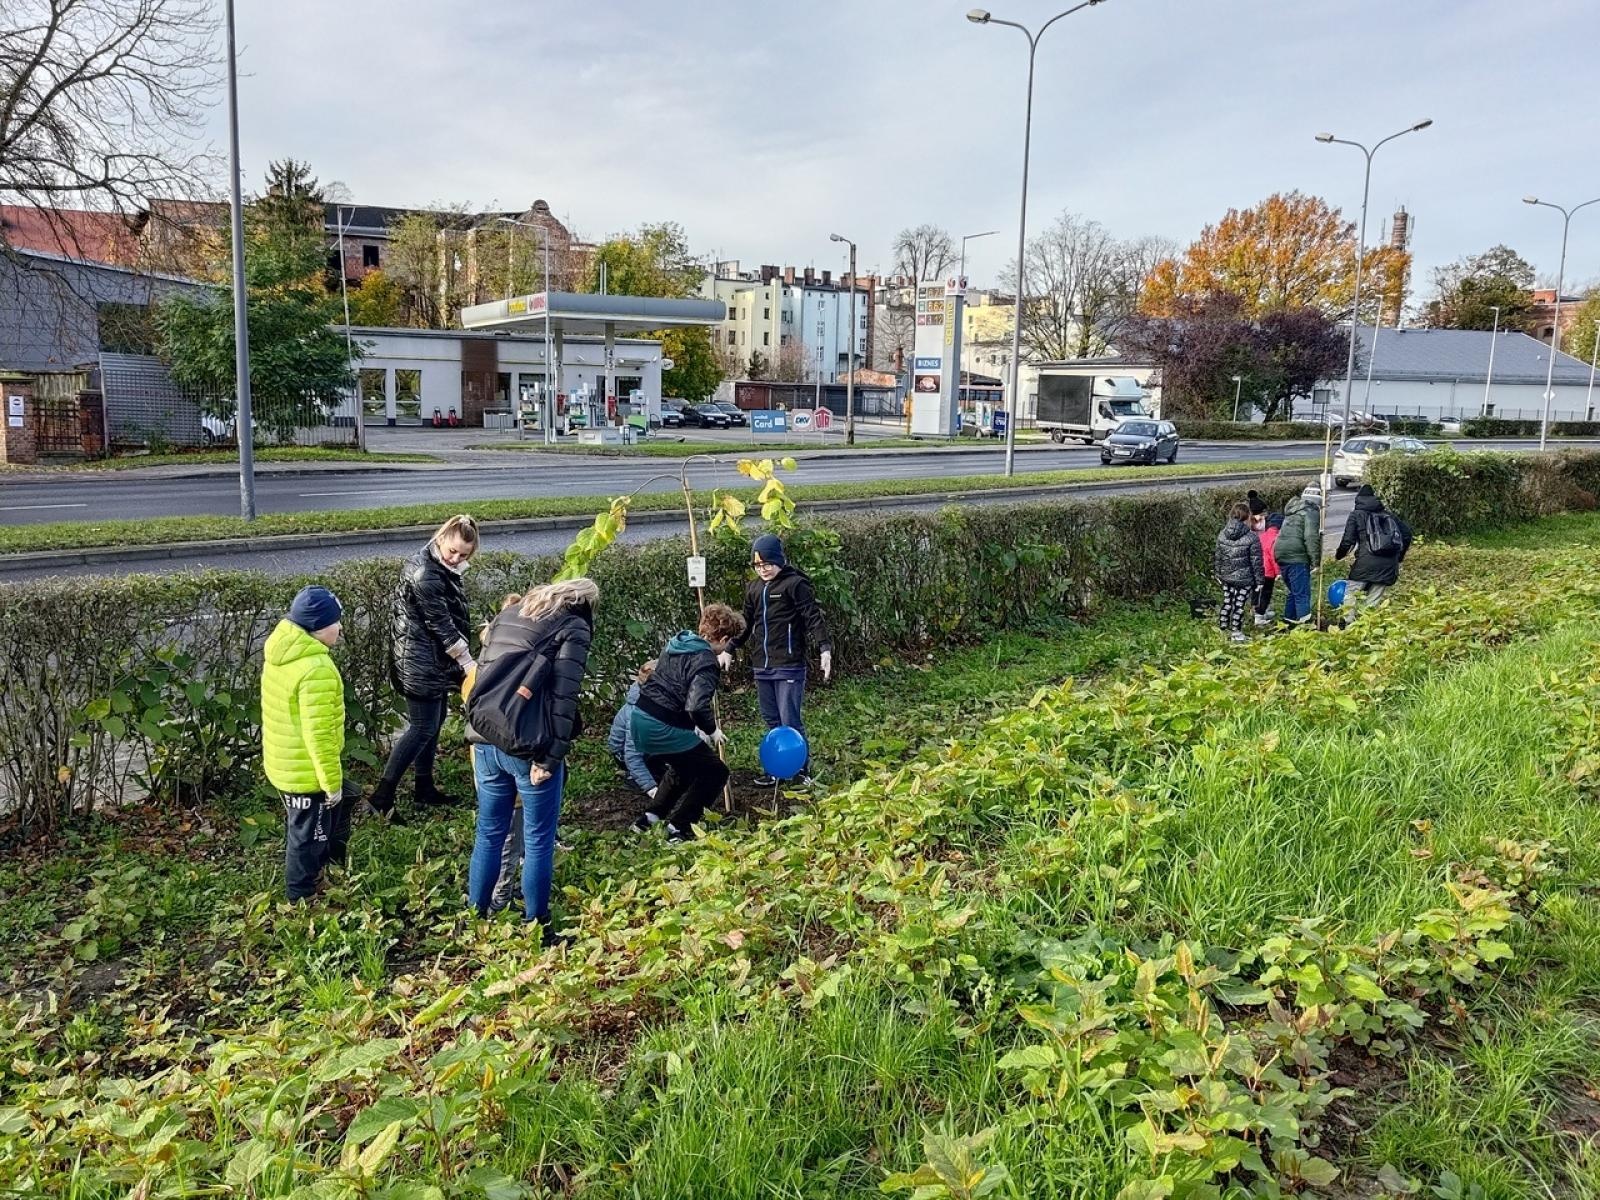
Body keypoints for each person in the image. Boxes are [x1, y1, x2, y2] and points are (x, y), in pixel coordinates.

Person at [463, 577, 597, 933]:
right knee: (538, 838)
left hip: (485, 735)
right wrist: (550, 758)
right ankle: (536, 923)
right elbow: (563, 699)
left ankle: (477, 916)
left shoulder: (510, 613)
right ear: (583, 604)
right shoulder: (574, 626)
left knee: (489, 832)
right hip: (526, 743)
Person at [371, 514, 479, 819]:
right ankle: (382, 797)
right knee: (421, 728)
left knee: (434, 723)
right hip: (419, 661)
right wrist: (467, 662)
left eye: (464, 555)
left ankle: (424, 788)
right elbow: (441, 624)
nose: (456, 558)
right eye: (453, 551)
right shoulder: (425, 573)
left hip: (430, 659)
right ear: (441, 538)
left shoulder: (440, 566)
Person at [720, 533, 831, 785]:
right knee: (771, 719)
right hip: (763, 666)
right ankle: (777, 769)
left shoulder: (795, 584)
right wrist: (729, 647)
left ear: (779, 561)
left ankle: (801, 771)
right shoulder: (754, 588)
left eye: (768, 564)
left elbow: (812, 617)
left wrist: (825, 648)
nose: (763, 570)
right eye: (758, 566)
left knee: (789, 720)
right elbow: (746, 624)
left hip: (789, 664)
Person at [261, 586, 349, 902]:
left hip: (283, 761)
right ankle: (301, 897)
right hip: (304, 773)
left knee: (329, 813)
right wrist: (331, 784)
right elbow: (319, 736)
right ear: (318, 626)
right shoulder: (316, 670)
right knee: (306, 836)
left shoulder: (282, 651)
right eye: (335, 622)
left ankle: (322, 870)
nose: (340, 628)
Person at [632, 603, 747, 842]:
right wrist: (712, 730)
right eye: (728, 643)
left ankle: (650, 818)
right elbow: (695, 705)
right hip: (663, 725)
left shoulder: (677, 643)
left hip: (640, 716)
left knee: (684, 766)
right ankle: (680, 828)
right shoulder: (706, 661)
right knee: (716, 772)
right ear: (723, 638)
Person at [1336, 484, 1414, 614]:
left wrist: (1339, 555)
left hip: (1365, 564)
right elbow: (1407, 534)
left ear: (1358, 499)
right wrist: (1399, 557)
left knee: (1352, 595)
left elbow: (1347, 541)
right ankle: (1367, 627)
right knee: (1372, 602)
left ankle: (1347, 627)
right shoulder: (1388, 515)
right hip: (1389, 564)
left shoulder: (1356, 515)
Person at [607, 660, 660, 798]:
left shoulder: (659, 699)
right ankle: (632, 777)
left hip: (650, 743)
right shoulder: (637, 714)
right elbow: (632, 755)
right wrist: (651, 788)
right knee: (652, 779)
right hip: (625, 754)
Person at [1214, 500, 1264, 644]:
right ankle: (1237, 633)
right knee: (1239, 605)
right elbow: (1256, 562)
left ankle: (1223, 630)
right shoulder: (1251, 537)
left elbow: (1218, 556)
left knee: (1227, 602)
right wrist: (1259, 581)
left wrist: (1218, 573)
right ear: (1247, 517)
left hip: (1226, 576)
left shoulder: (1222, 534)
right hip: (1244, 578)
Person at [1274, 483, 1323, 626]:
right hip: (1297, 557)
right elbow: (1311, 537)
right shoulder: (1311, 511)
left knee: (1293, 592)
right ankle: (1306, 628)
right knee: (1302, 594)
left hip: (1281, 553)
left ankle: (1288, 623)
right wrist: (1316, 561)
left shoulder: (1293, 509)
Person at [1255, 511, 1283, 627]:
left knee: (1258, 592)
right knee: (1266, 593)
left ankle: (1261, 612)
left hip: (1258, 569)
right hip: (1268, 571)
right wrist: (1278, 572)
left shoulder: (1262, 536)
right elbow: (1273, 556)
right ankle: (1260, 615)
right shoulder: (1276, 538)